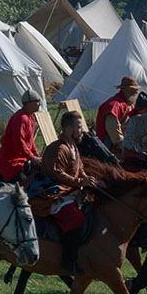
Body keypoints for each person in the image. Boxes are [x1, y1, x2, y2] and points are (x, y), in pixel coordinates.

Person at [35, 110, 93, 274]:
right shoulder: (58, 148)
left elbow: (80, 170)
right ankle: (68, 261)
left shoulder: (73, 147)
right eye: (79, 127)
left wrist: (89, 180)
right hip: (54, 195)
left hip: (70, 193)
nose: (82, 130)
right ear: (68, 129)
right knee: (76, 219)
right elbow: (57, 173)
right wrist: (80, 182)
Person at [0, 89, 43, 182]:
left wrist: (37, 157)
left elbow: (30, 141)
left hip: (22, 158)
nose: (39, 104)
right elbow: (19, 142)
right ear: (28, 104)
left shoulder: (32, 118)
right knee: (24, 183)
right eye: (37, 101)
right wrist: (32, 157)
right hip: (11, 161)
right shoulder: (21, 118)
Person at [96, 76, 139, 151]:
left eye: (136, 90)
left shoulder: (130, 104)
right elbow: (114, 132)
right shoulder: (114, 105)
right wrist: (125, 147)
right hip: (109, 146)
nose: (136, 92)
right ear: (124, 89)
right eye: (133, 89)